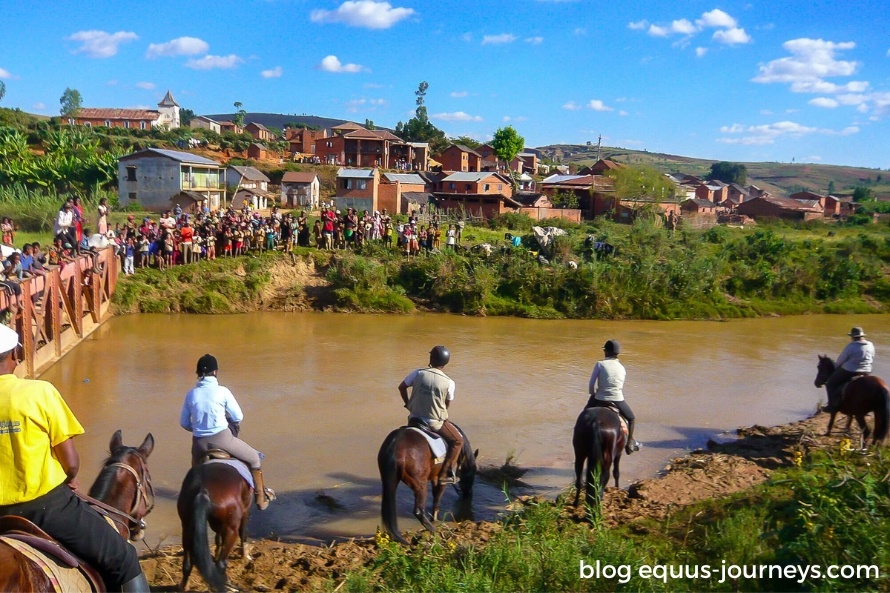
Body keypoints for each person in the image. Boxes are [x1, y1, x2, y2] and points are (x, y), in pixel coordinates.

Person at [0, 325, 149, 591]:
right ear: (14, 355)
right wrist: (69, 477)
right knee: (124, 559)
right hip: (46, 507)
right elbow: (70, 461)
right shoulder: (39, 392)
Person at [179, 354, 276, 510]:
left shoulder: (191, 394)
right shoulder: (222, 391)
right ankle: (260, 498)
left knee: (194, 474)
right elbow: (238, 416)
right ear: (215, 372)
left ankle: (190, 501)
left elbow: (183, 422)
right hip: (223, 439)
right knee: (254, 459)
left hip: (199, 444)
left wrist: (198, 429)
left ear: (198, 374)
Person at [398, 346, 463, 484]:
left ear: (430, 359)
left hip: (414, 418)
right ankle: (445, 474)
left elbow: (401, 387)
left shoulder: (418, 373)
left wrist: (408, 404)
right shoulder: (449, 383)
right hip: (434, 422)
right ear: (446, 362)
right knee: (458, 441)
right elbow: (446, 405)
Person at [585, 339, 642, 455]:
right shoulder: (622, 368)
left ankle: (580, 435)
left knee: (584, 414)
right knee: (631, 419)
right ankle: (630, 443)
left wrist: (593, 394)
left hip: (599, 398)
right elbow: (619, 385)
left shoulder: (600, 364)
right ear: (617, 353)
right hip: (617, 399)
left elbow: (591, 384)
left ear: (605, 351)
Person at [825, 327, 875, 413]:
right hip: (867, 370)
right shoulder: (870, 344)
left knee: (830, 383)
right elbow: (872, 356)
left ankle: (831, 406)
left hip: (850, 370)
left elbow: (841, 360)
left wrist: (836, 368)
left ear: (852, 337)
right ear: (862, 336)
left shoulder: (850, 346)